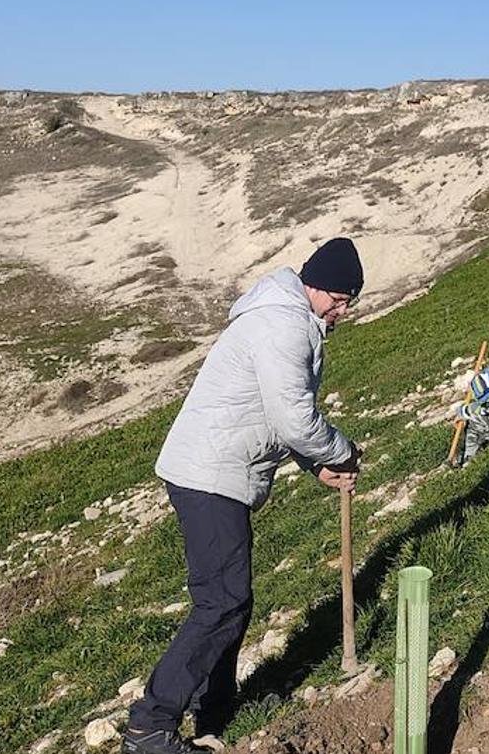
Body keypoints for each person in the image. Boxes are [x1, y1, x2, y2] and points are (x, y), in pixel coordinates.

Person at [123, 238, 365, 754]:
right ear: (316, 285)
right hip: (209, 473)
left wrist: (313, 463)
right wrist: (339, 452)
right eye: (341, 300)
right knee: (221, 602)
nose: (344, 312)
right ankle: (150, 725)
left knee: (232, 599)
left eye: (350, 303)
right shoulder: (282, 326)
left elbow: (273, 410)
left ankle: (213, 705)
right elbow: (295, 418)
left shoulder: (286, 318)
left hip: (216, 468)